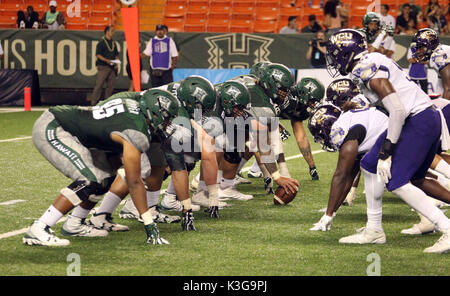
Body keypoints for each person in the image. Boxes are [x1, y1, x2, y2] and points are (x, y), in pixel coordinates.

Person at [323, 28, 450, 253]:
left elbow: (398, 110)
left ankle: (447, 228)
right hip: (423, 116)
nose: (333, 60)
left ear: (347, 53)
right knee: (369, 164)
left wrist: (386, 151)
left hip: (416, 118)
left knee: (397, 181)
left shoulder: (366, 68)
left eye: (335, 54)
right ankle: (374, 230)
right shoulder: (369, 59)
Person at [22, 89, 181, 246]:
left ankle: (74, 224)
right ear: (154, 113)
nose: (168, 124)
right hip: (55, 126)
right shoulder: (138, 132)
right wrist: (149, 223)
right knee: (89, 179)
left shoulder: (133, 107)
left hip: (78, 132)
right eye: (167, 119)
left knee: (105, 178)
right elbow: (134, 182)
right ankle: (39, 227)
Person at [90, 26, 119, 106]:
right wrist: (106, 60)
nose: (113, 33)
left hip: (112, 67)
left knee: (110, 86)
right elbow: (98, 55)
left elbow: (116, 54)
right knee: (99, 85)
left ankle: (107, 103)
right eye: (112, 31)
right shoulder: (101, 43)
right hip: (103, 67)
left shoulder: (113, 43)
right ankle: (94, 103)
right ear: (107, 32)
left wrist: (116, 63)